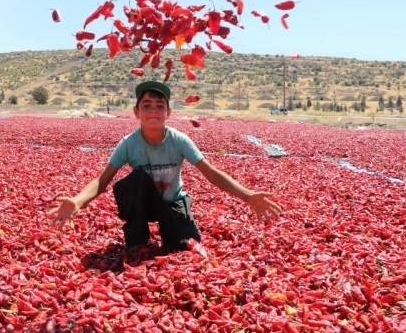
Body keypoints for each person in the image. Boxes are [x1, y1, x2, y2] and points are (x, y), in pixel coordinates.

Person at [49, 81, 283, 252]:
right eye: (147, 105)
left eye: (160, 106)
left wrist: (248, 195)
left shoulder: (179, 140)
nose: (153, 110)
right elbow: (103, 179)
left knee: (184, 246)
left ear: (168, 113)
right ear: (136, 112)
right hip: (143, 203)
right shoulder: (129, 143)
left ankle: (171, 230)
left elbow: (210, 173)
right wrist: (78, 200)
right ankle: (137, 236)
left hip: (172, 201)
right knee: (136, 179)